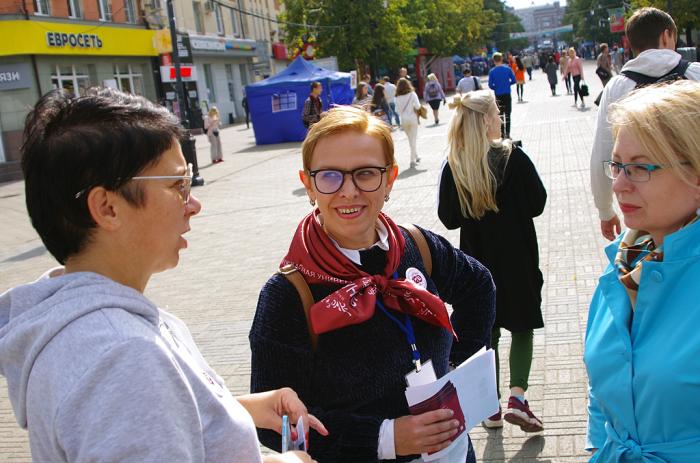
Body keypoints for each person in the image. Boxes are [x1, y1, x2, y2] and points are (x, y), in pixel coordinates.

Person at [0, 87, 326, 463]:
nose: (194, 204)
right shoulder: (123, 356)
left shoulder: (70, 324)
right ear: (107, 207)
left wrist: (228, 408)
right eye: (177, 185)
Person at [249, 104, 497, 463]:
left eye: (366, 173)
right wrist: (386, 437)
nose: (348, 191)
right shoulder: (288, 294)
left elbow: (480, 286)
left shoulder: (416, 245)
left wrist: (454, 370)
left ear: (390, 178)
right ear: (308, 184)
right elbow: (273, 425)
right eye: (330, 176)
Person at [584, 80, 700, 462]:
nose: (618, 185)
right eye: (616, 165)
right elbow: (603, 392)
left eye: (639, 168)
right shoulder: (624, 261)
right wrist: (597, 446)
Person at [438, 90, 546, 434]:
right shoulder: (513, 156)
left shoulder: (454, 165)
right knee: (522, 326)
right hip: (519, 258)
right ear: (487, 120)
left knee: (488, 333)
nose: (499, 118)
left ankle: (491, 406)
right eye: (496, 114)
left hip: (476, 267)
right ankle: (518, 397)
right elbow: (538, 202)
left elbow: (449, 218)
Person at [590, 7, 700, 242]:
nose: (620, 185)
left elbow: (603, 152)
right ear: (666, 36)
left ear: (630, 44)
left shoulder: (617, 87)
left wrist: (605, 209)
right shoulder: (696, 75)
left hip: (646, 219)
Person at [395, 77, 422, 169]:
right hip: (412, 118)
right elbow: (418, 107)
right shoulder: (412, 94)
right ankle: (412, 160)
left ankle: (416, 156)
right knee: (413, 139)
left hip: (404, 120)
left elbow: (397, 110)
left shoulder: (397, 97)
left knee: (410, 139)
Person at [488, 52, 516, 139]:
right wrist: (508, 84)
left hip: (498, 95)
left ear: (493, 61)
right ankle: (507, 133)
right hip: (507, 94)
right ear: (501, 59)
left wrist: (496, 87)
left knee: (500, 115)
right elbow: (514, 80)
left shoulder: (492, 72)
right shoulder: (507, 69)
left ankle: (502, 134)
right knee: (508, 114)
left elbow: (490, 85)